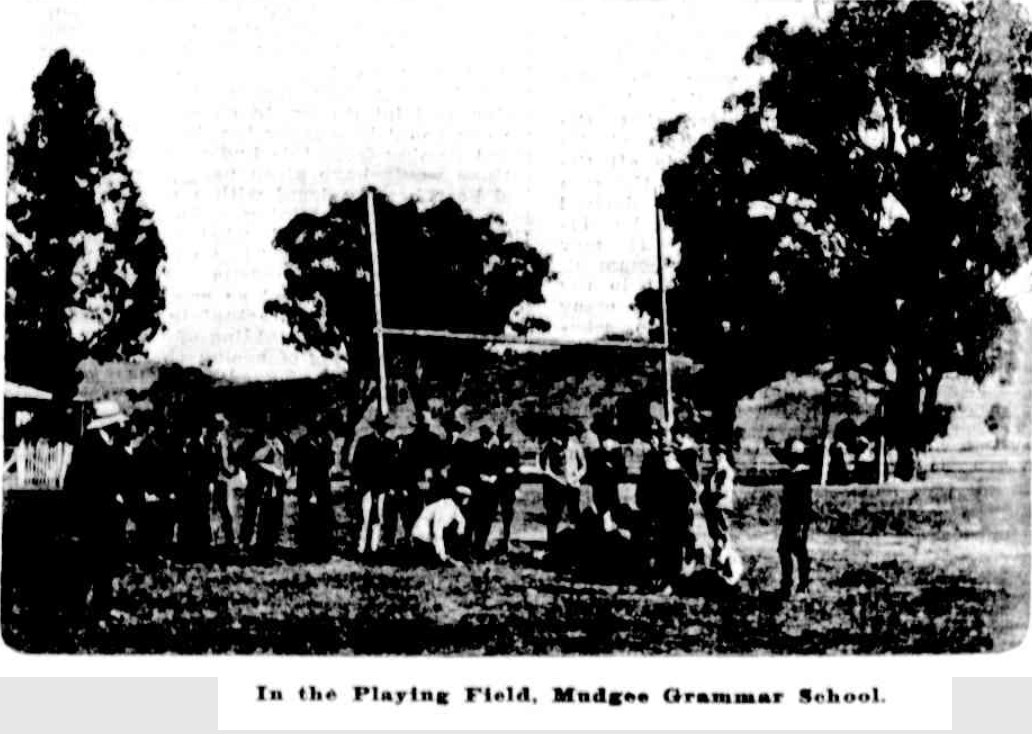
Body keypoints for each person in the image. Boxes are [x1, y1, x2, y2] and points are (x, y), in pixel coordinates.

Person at [63, 400, 132, 619]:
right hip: (91, 517)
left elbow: (122, 477)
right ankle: (76, 610)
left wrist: (120, 498)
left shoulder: (114, 445)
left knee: (106, 566)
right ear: (108, 424)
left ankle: (103, 609)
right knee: (86, 566)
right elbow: (75, 483)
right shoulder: (87, 446)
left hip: (111, 517)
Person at [769, 437, 816, 597]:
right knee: (785, 550)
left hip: (798, 521)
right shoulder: (794, 474)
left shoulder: (801, 477)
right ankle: (788, 585)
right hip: (790, 520)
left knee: (798, 552)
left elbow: (804, 504)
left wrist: (801, 525)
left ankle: (801, 586)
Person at [352, 413, 398, 555]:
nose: (383, 429)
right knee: (364, 517)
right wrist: (356, 483)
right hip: (366, 485)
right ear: (376, 427)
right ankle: (361, 547)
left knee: (378, 517)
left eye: (385, 427)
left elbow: (394, 468)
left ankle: (374, 547)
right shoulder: (364, 441)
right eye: (381, 427)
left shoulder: (391, 445)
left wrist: (391, 486)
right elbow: (356, 464)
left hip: (383, 487)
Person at [538, 422, 586, 551]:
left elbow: (583, 466)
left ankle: (577, 545)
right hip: (557, 486)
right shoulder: (551, 446)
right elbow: (542, 463)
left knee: (575, 515)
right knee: (554, 515)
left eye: (568, 435)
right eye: (563, 434)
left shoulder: (575, 446)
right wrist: (554, 477)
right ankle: (551, 543)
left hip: (573, 485)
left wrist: (576, 478)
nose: (565, 437)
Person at [294, 416, 335, 558]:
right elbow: (302, 467)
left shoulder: (326, 441)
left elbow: (330, 461)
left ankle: (323, 549)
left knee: (324, 517)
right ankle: (307, 549)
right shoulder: (302, 443)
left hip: (323, 485)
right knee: (307, 517)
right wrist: (311, 492)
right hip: (307, 485)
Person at [410, 483, 471, 566]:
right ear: (462, 498)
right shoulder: (446, 509)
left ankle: (449, 554)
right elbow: (437, 532)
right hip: (422, 539)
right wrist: (442, 555)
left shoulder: (452, 505)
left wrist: (461, 529)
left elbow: (461, 520)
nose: (468, 501)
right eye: (467, 498)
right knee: (436, 563)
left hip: (426, 537)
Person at [586, 418, 627, 525]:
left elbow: (622, 474)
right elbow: (591, 476)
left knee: (611, 517)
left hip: (611, 493)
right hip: (600, 493)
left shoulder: (617, 455)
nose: (607, 442)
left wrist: (612, 467)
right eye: (603, 439)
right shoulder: (595, 455)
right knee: (601, 516)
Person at [701, 444, 734, 563]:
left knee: (722, 534)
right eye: (715, 454)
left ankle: (725, 560)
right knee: (716, 534)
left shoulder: (725, 471)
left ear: (724, 455)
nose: (716, 457)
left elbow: (723, 491)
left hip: (721, 507)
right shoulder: (716, 470)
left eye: (719, 454)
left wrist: (709, 496)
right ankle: (719, 559)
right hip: (714, 507)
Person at [210, 413, 238, 547]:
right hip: (213, 479)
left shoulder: (224, 440)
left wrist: (231, 471)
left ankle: (229, 538)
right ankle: (213, 538)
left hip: (223, 479)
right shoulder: (210, 440)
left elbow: (230, 458)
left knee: (225, 509)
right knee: (214, 509)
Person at [494, 425, 522, 553]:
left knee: (507, 513)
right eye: (501, 436)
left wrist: (516, 486)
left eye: (505, 436)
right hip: (496, 486)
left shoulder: (514, 451)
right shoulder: (496, 450)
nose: (503, 438)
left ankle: (505, 538)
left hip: (508, 487)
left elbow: (517, 471)